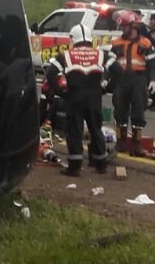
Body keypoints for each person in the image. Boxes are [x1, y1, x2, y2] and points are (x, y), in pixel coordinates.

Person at [46, 24, 113, 176]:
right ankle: (101, 164)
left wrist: (61, 92)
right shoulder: (101, 54)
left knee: (75, 130)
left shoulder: (66, 55)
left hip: (74, 95)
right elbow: (117, 70)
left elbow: (51, 73)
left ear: (73, 39)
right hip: (94, 95)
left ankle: (74, 167)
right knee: (96, 128)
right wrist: (105, 88)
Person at [108, 10, 155, 156]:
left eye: (125, 26)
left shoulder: (145, 43)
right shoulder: (116, 43)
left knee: (138, 112)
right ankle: (120, 143)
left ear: (133, 26)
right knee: (119, 111)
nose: (123, 29)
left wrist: (153, 80)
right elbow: (108, 63)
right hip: (121, 80)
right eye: (121, 26)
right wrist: (106, 79)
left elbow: (153, 64)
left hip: (138, 80)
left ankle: (137, 145)